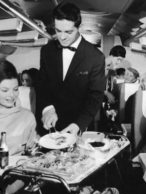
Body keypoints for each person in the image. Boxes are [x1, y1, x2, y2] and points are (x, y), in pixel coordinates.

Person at [36, 2, 106, 135]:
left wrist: (79, 124)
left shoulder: (95, 57)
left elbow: (95, 97)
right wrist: (47, 109)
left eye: (68, 32)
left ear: (78, 27)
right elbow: (42, 85)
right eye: (58, 31)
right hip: (49, 128)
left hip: (77, 126)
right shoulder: (47, 51)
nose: (62, 37)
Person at [0, 60, 37, 194]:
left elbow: (33, 162)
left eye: (15, 89)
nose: (12, 96)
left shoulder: (27, 118)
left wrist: (8, 191)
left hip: (17, 184)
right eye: (5, 90)